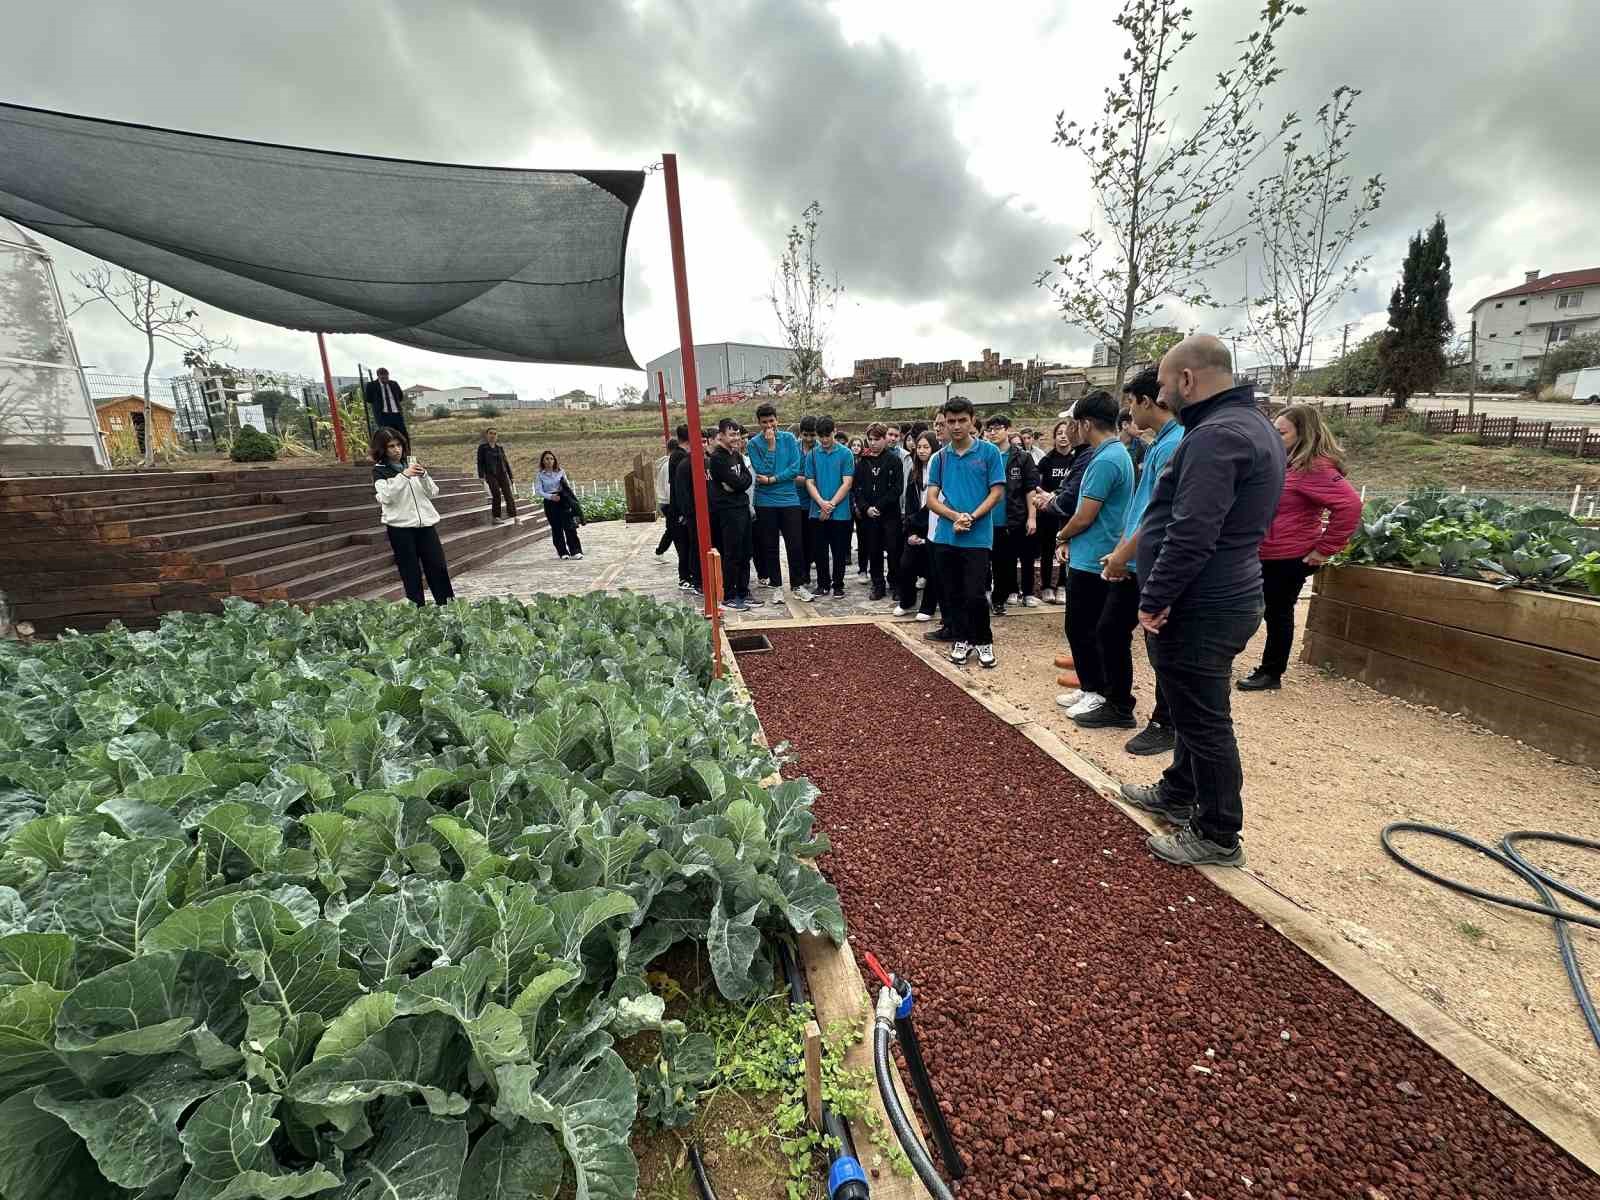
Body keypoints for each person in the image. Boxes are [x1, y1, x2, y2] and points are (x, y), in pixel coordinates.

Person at [1119, 335, 1285, 869]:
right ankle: (1178, 790)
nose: (1162, 395)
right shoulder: (1250, 425)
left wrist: (1156, 596)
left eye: (1165, 385)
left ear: (1187, 380)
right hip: (1221, 592)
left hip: (1202, 599)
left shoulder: (1218, 436)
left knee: (1204, 716)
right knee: (1192, 706)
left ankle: (1216, 831)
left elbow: (1192, 531)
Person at [1239, 403, 1362, 691]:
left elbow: (1350, 505)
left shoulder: (1315, 467)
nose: (1275, 437)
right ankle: (1255, 665)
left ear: (1303, 434)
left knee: (1278, 611)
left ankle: (1271, 673)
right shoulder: (1285, 462)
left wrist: (1324, 549)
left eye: (1281, 433)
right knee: (1259, 607)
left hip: (1289, 555)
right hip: (1267, 551)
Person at [1097, 368, 1181, 755]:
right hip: (1134, 557)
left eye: (1132, 403)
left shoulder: (1173, 443)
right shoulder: (1158, 444)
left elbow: (1157, 515)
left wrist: (1121, 557)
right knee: (1111, 630)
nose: (1130, 412)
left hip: (1150, 560)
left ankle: (1166, 722)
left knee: (1159, 645)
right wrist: (1121, 551)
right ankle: (1118, 705)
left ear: (1147, 402)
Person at [1041, 392, 1134, 723]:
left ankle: (1097, 691)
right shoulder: (1107, 454)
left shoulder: (1106, 460)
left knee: (1084, 628)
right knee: (1080, 627)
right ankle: (1090, 685)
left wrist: (1061, 535)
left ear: (1084, 423)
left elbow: (1085, 515)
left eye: (1073, 422)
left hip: (1094, 558)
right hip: (1088, 554)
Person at [926, 396, 1006, 668]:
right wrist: (954, 517)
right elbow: (932, 498)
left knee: (975, 592)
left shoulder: (988, 453)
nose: (956, 426)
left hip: (978, 536)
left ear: (973, 420)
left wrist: (971, 516)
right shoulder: (940, 458)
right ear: (944, 424)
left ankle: (983, 640)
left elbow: (996, 492)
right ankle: (962, 638)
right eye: (951, 421)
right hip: (946, 536)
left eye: (962, 420)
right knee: (952, 593)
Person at [371, 427, 453, 605]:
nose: (396, 449)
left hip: (426, 525)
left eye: (398, 445)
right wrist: (404, 476)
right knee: (411, 572)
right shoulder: (380, 471)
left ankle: (448, 606)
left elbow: (433, 492)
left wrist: (424, 475)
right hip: (400, 528)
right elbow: (386, 497)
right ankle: (418, 610)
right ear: (382, 449)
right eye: (391, 446)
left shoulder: (412, 465)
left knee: (438, 567)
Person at [748, 402, 806, 599]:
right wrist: (771, 446)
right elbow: (762, 470)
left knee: (795, 544)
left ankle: (798, 585)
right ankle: (776, 587)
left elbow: (794, 468)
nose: (768, 425)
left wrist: (773, 479)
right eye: (764, 422)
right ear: (759, 423)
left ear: (777, 420)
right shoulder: (753, 443)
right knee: (769, 545)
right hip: (765, 502)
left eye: (771, 421)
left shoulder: (789, 438)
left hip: (789, 499)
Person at [984, 415, 1040, 614]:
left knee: (1005, 564)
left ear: (1008, 429)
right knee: (982, 562)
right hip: (984, 519)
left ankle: (999, 599)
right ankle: (984, 594)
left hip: (1010, 520)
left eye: (997, 428)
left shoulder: (1022, 457)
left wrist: (1031, 517)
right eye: (989, 429)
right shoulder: (984, 454)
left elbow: (1030, 489)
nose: (993, 432)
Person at [803, 416, 855, 598]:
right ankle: (822, 583)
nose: (824, 440)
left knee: (839, 551)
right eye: (821, 436)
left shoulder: (845, 454)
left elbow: (847, 483)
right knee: (819, 551)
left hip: (840, 512)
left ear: (835, 431)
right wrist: (821, 504)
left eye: (827, 435)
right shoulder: (812, 455)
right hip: (816, 510)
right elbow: (809, 481)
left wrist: (830, 505)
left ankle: (838, 584)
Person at [709, 417, 757, 611]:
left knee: (746, 553)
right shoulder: (717, 458)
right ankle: (729, 594)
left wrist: (737, 484)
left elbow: (746, 479)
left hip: (742, 508)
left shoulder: (736, 455)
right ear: (721, 435)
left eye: (737, 434)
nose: (736, 437)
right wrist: (738, 483)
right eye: (732, 434)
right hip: (728, 512)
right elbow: (739, 482)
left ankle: (744, 592)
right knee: (732, 553)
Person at [852, 422, 905, 601]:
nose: (873, 443)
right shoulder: (862, 461)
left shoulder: (894, 460)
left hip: (890, 514)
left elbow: (897, 488)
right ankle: (878, 584)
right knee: (873, 550)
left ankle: (896, 583)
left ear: (884, 439)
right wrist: (866, 508)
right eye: (870, 439)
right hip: (869, 516)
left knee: (893, 549)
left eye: (877, 439)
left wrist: (879, 506)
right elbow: (857, 489)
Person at [895, 430, 941, 620]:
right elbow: (911, 505)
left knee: (932, 570)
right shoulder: (914, 474)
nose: (921, 451)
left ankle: (928, 607)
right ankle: (906, 601)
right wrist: (911, 530)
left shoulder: (939, 470)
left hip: (934, 528)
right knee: (906, 566)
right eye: (919, 447)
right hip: (915, 527)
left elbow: (934, 504)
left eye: (926, 447)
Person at [1033, 420, 1079, 605]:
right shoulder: (1046, 460)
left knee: (1067, 550)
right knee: (1047, 551)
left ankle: (1062, 585)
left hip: (1068, 515)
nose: (1062, 435)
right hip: (1048, 514)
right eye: (1058, 432)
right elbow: (1038, 486)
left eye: (1064, 432)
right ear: (1054, 437)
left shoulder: (1076, 459)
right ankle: (1046, 587)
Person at [669, 426, 702, 594]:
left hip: (679, 508)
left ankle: (687, 575)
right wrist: (683, 511)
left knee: (687, 544)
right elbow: (679, 488)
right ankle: (685, 577)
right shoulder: (681, 458)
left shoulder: (676, 455)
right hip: (681, 509)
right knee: (685, 545)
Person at [536, 450, 584, 560]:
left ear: (554, 460)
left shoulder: (560, 471)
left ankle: (576, 550)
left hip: (563, 500)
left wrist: (568, 498)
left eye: (551, 458)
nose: (549, 461)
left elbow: (567, 485)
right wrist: (550, 497)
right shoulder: (540, 475)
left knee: (569, 526)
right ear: (543, 461)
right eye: (547, 459)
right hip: (550, 502)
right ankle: (562, 552)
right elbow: (539, 491)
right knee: (556, 528)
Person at [796, 416, 819, 592]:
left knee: (813, 541)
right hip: (796, 502)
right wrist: (808, 480)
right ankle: (802, 573)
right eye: (806, 435)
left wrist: (803, 480)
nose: (809, 439)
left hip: (815, 502)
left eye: (813, 435)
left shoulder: (820, 449)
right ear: (800, 433)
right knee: (799, 540)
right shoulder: (793, 449)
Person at [476, 427, 517, 524]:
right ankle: (496, 517)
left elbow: (506, 463)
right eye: (490, 433)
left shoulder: (500, 448)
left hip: (502, 474)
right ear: (487, 435)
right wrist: (481, 476)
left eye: (495, 433)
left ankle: (514, 516)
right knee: (496, 495)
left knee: (509, 495)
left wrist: (511, 476)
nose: (493, 435)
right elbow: (480, 462)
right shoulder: (483, 448)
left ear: (497, 436)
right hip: (490, 475)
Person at [364, 368, 408, 441]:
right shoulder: (371, 385)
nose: (385, 379)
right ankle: (389, 452)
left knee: (403, 435)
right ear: (378, 376)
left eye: (386, 377)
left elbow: (400, 397)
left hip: (397, 414)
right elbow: (368, 399)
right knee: (387, 436)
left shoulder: (394, 384)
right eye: (383, 377)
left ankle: (406, 451)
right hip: (383, 416)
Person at [653, 440, 677, 557]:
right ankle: (659, 551)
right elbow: (669, 487)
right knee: (673, 529)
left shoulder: (667, 463)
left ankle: (660, 551)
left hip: (665, 501)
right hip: (668, 502)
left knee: (672, 529)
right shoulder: (669, 465)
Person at [1116, 407, 1148, 476]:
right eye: (1136, 422)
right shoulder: (1111, 445)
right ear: (1125, 425)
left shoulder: (1143, 447)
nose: (1142, 429)